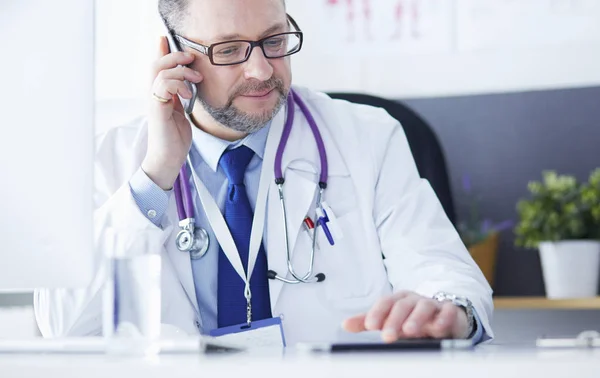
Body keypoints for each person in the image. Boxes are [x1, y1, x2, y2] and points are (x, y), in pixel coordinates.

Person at [34, 0, 493, 346]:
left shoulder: (368, 138)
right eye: (229, 50)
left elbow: (445, 274)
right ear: (175, 54)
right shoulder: (110, 159)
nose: (261, 69)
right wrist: (155, 176)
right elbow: (62, 324)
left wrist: (451, 313)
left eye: (274, 41)